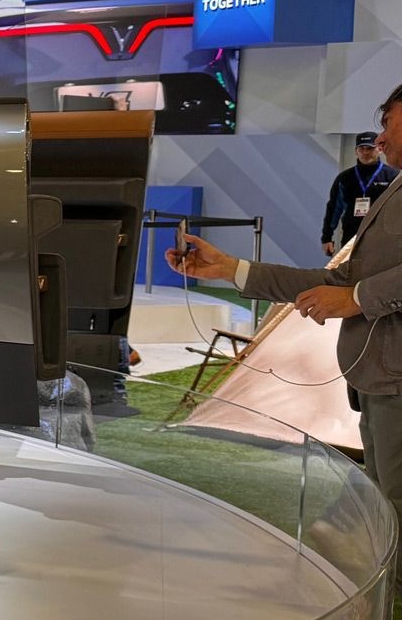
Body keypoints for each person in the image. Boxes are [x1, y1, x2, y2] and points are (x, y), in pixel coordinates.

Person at [169, 85, 402, 535]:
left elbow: (350, 290)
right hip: (377, 380)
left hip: (394, 381)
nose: (381, 138)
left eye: (387, 122)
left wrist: (356, 299)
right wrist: (233, 270)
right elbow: (339, 280)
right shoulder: (394, 189)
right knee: (382, 502)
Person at [323, 130, 395, 256]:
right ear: (356, 151)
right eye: (362, 149)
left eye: (370, 148)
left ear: (379, 149)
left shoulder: (391, 176)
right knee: (349, 273)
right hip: (351, 237)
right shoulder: (345, 178)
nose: (366, 153)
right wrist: (327, 237)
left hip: (382, 238)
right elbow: (334, 208)